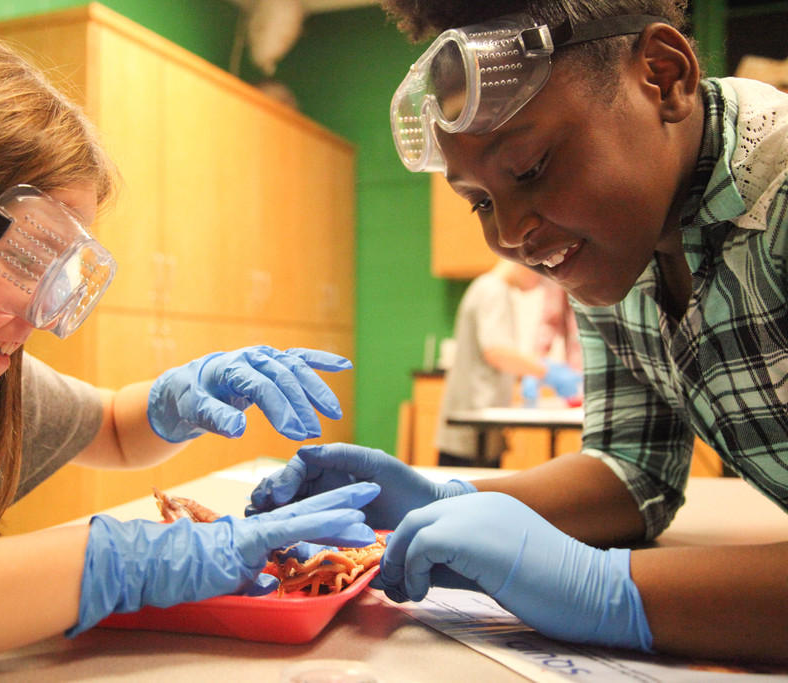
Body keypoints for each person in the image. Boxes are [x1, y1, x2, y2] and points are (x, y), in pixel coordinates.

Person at [0, 22, 378, 681]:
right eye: (23, 255)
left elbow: (112, 427)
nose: (44, 315)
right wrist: (102, 564)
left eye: (59, 272)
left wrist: (185, 397)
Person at [249, 0, 788, 664]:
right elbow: (633, 472)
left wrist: (610, 592)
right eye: (478, 201)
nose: (509, 234)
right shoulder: (618, 238)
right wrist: (445, 500)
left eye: (531, 166)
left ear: (662, 75)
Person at [436, 258, 580, 466]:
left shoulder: (488, 288)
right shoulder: (492, 291)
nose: (540, 284)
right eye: (540, 275)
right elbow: (496, 352)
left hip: (476, 428)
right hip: (473, 430)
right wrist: (545, 371)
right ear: (523, 262)